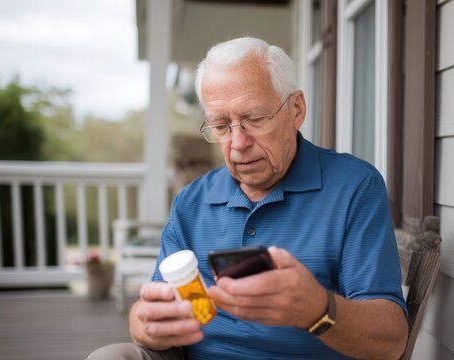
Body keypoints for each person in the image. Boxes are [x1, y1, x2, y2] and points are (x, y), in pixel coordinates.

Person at [88, 37, 408, 360]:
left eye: (254, 119)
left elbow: (391, 341)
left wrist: (317, 309)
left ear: (296, 110)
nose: (238, 143)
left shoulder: (354, 188)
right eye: (221, 126)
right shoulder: (191, 204)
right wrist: (143, 323)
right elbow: (154, 311)